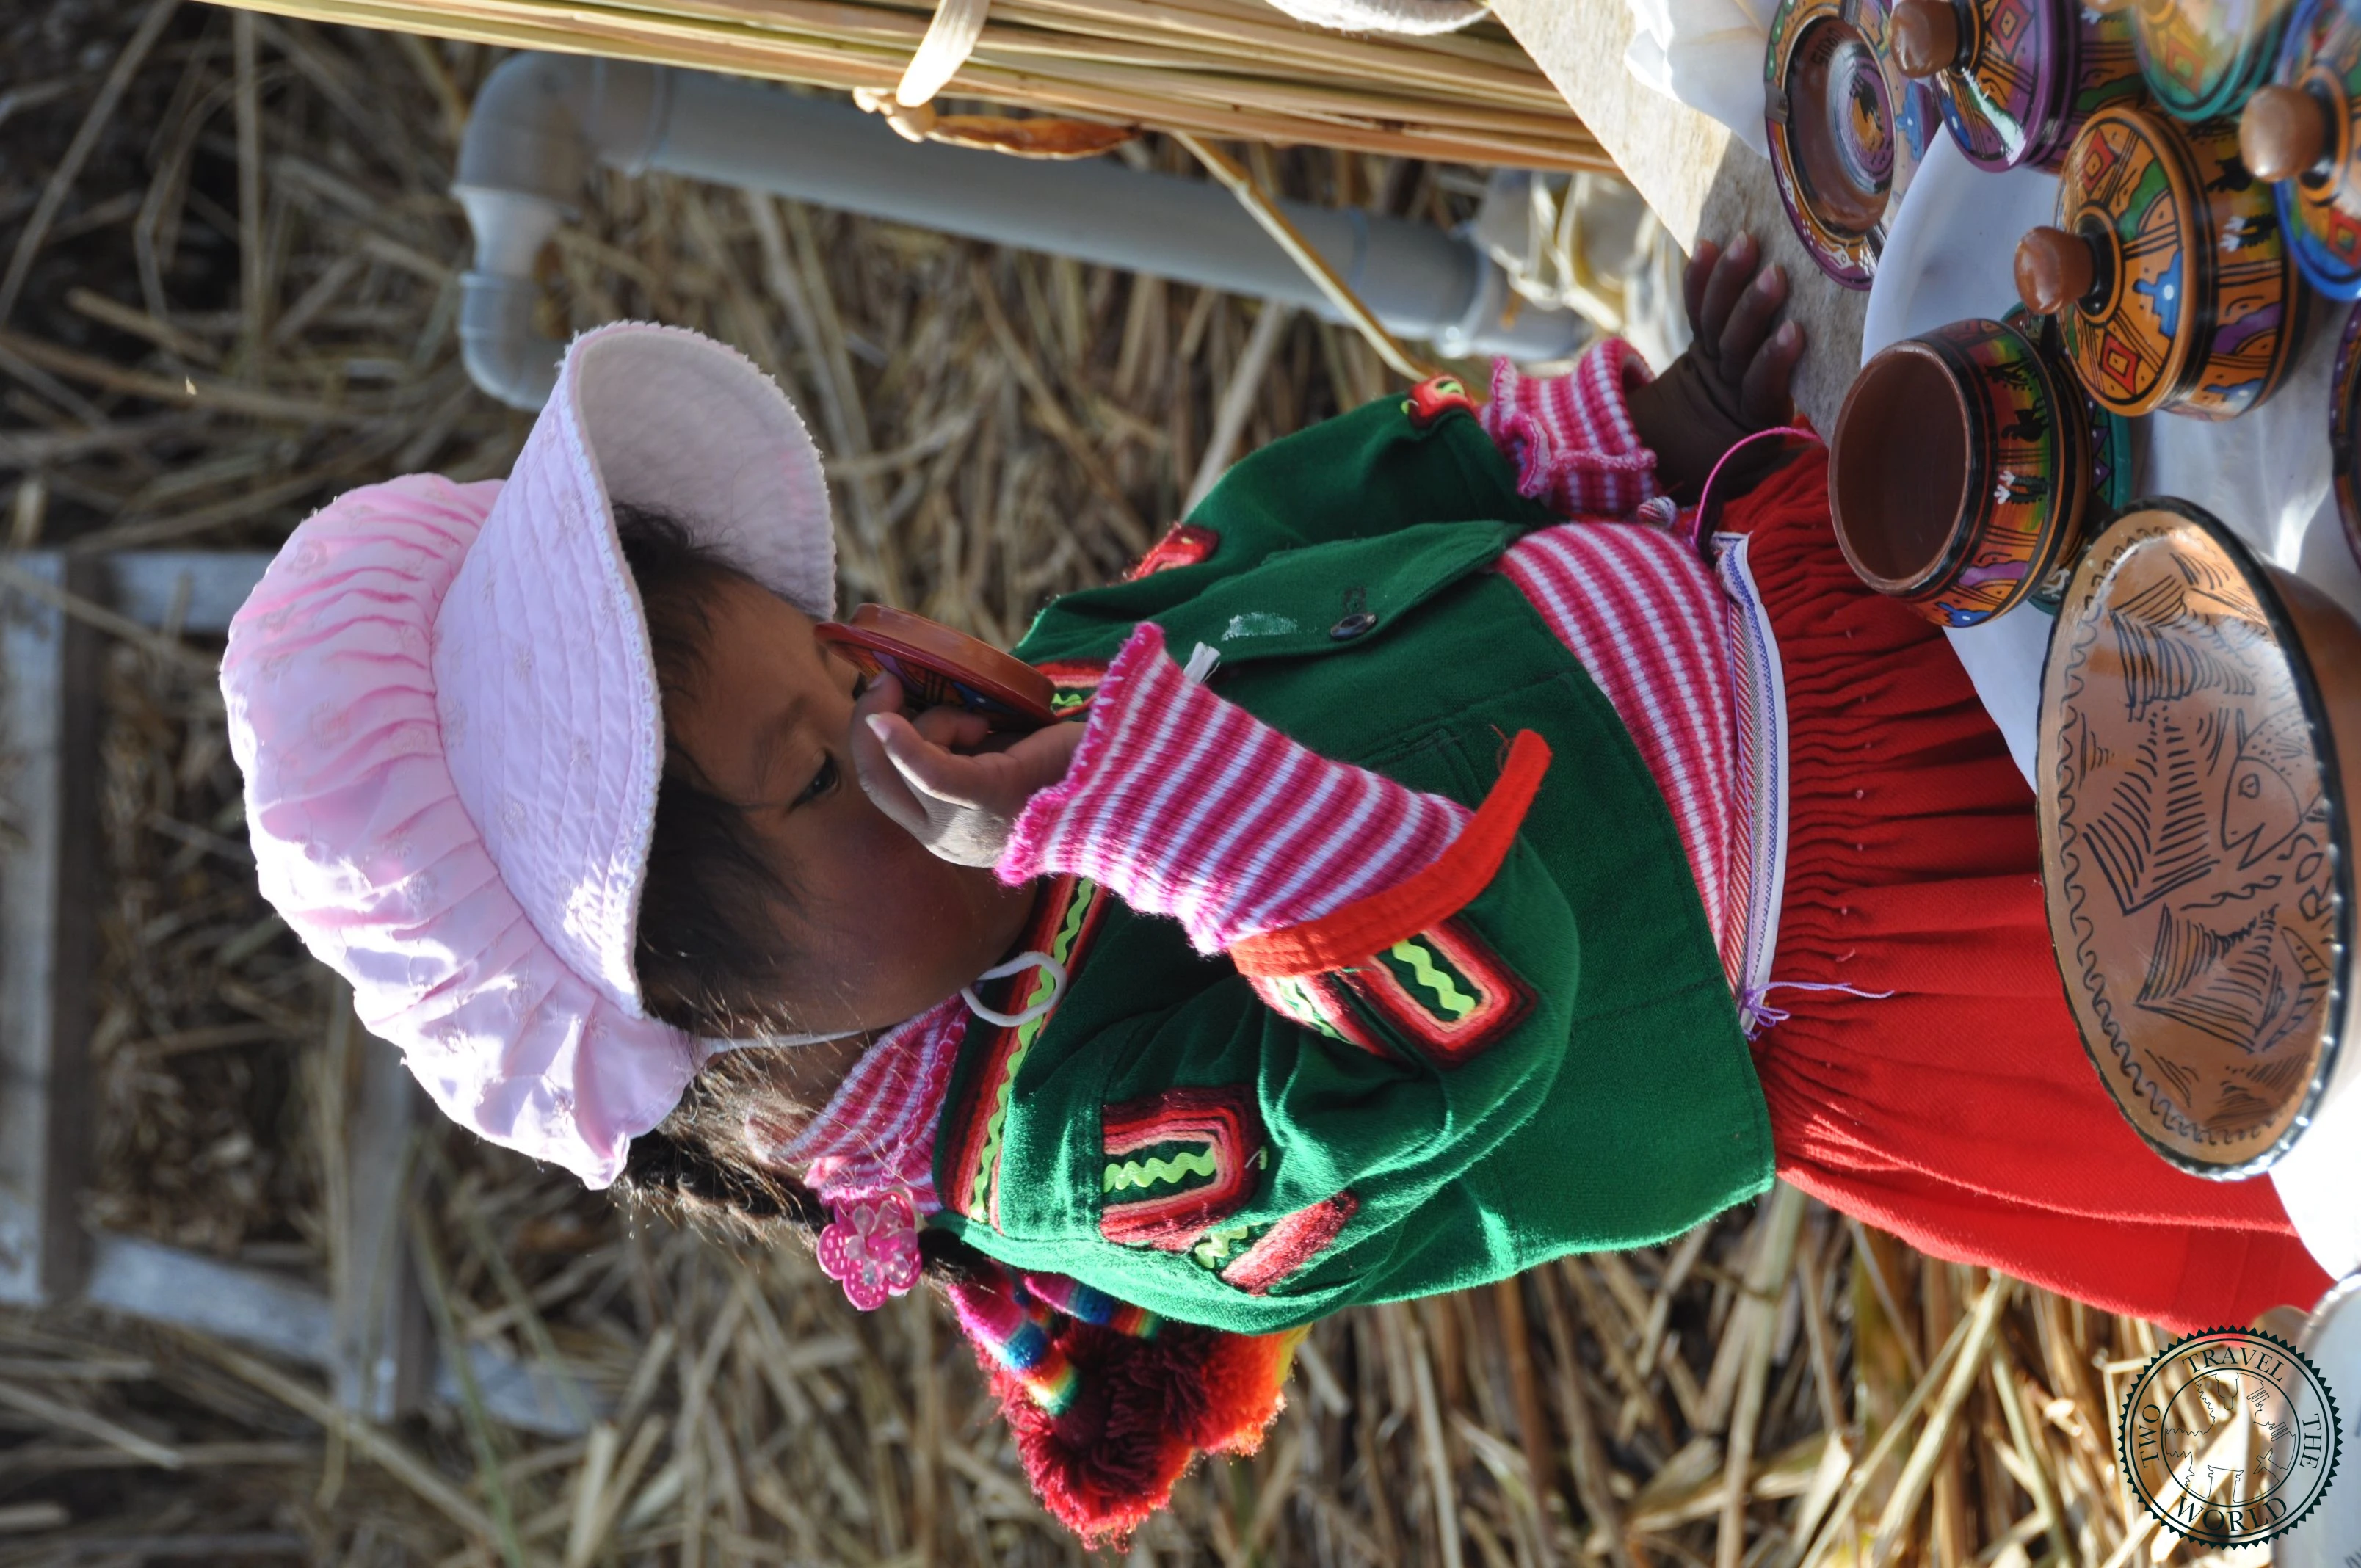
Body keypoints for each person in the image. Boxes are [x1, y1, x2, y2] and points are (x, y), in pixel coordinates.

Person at [222, 233, 2330, 1543]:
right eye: (807, 761)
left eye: (836, 639)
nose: (884, 701)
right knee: (2302, 900)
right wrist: (1130, 803)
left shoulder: (1027, 715)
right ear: (740, 1050)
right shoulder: (1096, 1163)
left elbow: (1288, 532)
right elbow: (1472, 1000)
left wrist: (1624, 432)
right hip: (1900, 938)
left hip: (1828, 610)